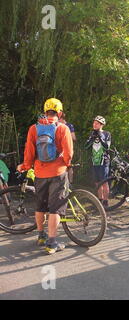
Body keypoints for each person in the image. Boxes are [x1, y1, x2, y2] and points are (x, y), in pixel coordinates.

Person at [17, 98, 73, 254]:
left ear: (45, 111)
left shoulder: (34, 129)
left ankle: (41, 236)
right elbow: (68, 153)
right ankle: (52, 243)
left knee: (40, 205)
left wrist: (26, 166)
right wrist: (67, 164)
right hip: (58, 172)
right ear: (60, 112)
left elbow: (29, 152)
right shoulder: (63, 129)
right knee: (55, 208)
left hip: (40, 173)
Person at [85, 116, 111, 207]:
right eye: (94, 123)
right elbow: (86, 147)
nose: (94, 124)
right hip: (94, 161)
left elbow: (106, 147)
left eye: (96, 123)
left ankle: (106, 200)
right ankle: (100, 200)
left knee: (104, 181)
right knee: (97, 182)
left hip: (104, 160)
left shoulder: (107, 133)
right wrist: (92, 138)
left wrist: (100, 136)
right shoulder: (92, 133)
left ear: (101, 125)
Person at [58, 113, 76, 182]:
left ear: (61, 118)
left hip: (67, 148)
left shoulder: (69, 126)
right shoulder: (56, 126)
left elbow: (74, 138)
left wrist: (65, 135)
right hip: (59, 150)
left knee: (69, 165)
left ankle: (70, 183)